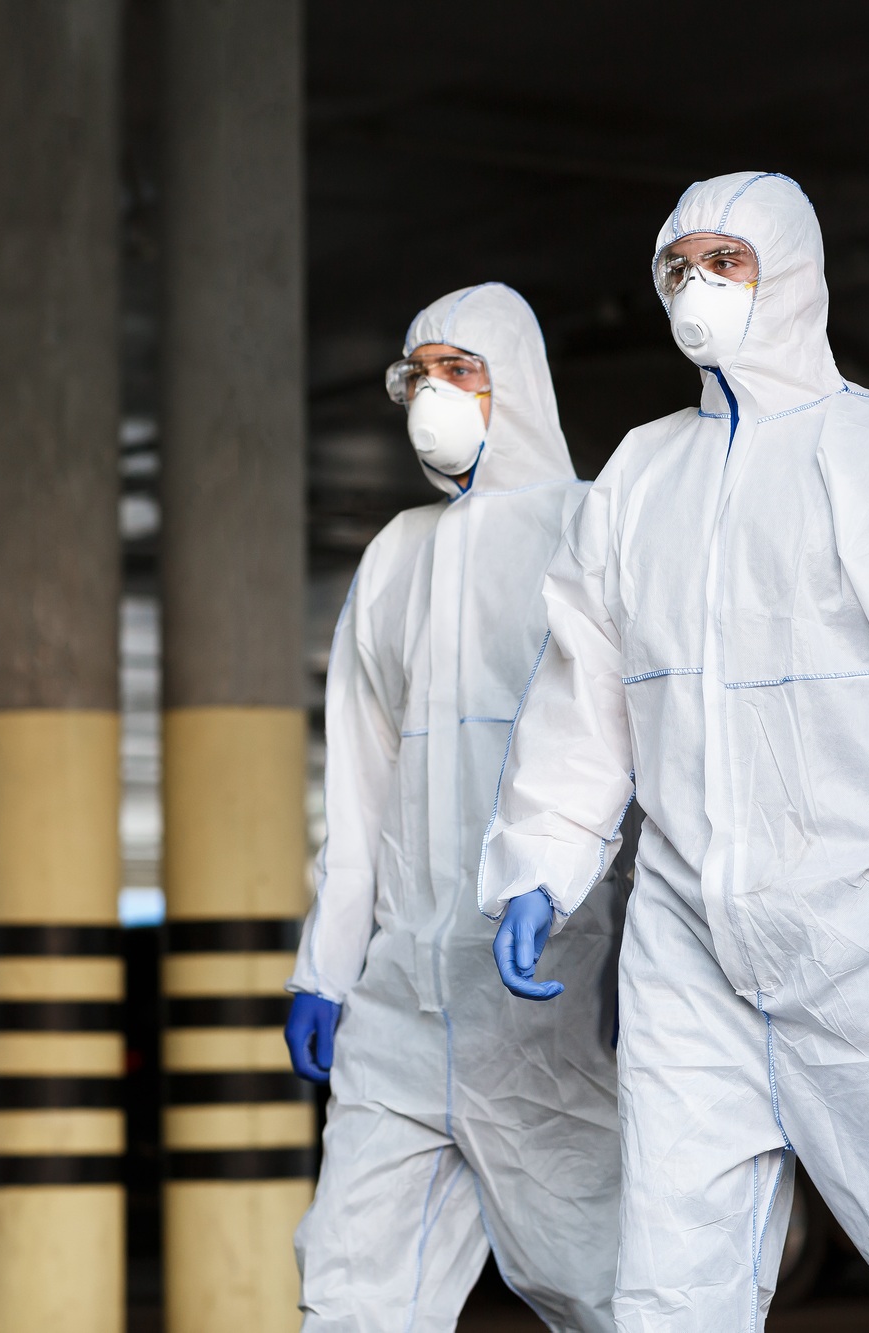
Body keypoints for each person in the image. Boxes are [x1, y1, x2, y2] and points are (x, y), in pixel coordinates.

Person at [478, 174, 869, 1331]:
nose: (696, 287)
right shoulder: (637, 476)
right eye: (677, 266)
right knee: (670, 1289)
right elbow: (585, 698)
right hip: (688, 956)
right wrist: (539, 857)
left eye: (724, 261)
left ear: (788, 270)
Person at [286, 283, 627, 1333]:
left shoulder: (592, 525)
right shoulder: (394, 556)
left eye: (459, 371)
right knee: (351, 1288)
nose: (432, 397)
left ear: (513, 385)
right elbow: (359, 790)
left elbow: (634, 756)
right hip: (400, 1001)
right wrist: (326, 967)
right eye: (417, 377)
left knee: (606, 1286)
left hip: (550, 1001)